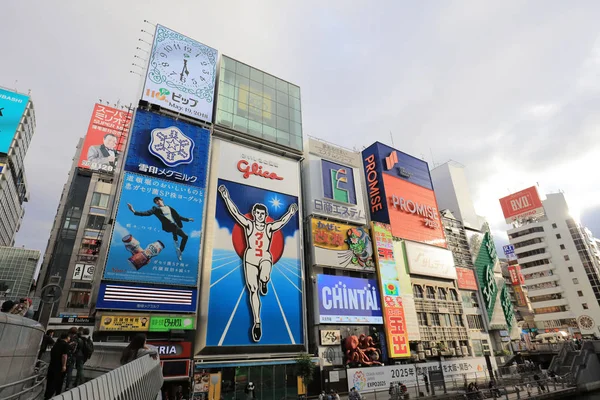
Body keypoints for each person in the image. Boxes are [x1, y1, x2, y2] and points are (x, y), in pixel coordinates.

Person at [218, 185, 298, 342]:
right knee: (252, 290)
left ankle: (264, 281)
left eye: (262, 213)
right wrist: (226, 197)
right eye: (257, 213)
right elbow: (235, 213)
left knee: (266, 273)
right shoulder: (249, 225)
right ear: (254, 214)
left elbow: (281, 222)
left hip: (264, 257)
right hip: (250, 258)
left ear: (265, 215)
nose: (260, 215)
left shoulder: (269, 227)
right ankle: (257, 322)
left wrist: (290, 212)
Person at [127, 197, 194, 261]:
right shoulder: (156, 209)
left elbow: (178, 216)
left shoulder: (169, 207)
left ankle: (180, 251)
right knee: (173, 226)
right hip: (167, 226)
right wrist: (134, 211)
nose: (157, 202)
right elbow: (147, 213)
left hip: (175, 226)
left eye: (158, 200)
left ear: (161, 200)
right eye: (156, 202)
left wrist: (188, 219)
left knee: (185, 236)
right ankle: (176, 245)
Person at [44, 332, 70, 399]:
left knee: (50, 381)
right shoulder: (66, 345)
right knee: (57, 382)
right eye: (69, 337)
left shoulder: (56, 343)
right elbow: (64, 356)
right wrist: (64, 365)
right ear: (67, 337)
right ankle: (56, 396)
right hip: (59, 367)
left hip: (52, 364)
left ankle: (47, 396)